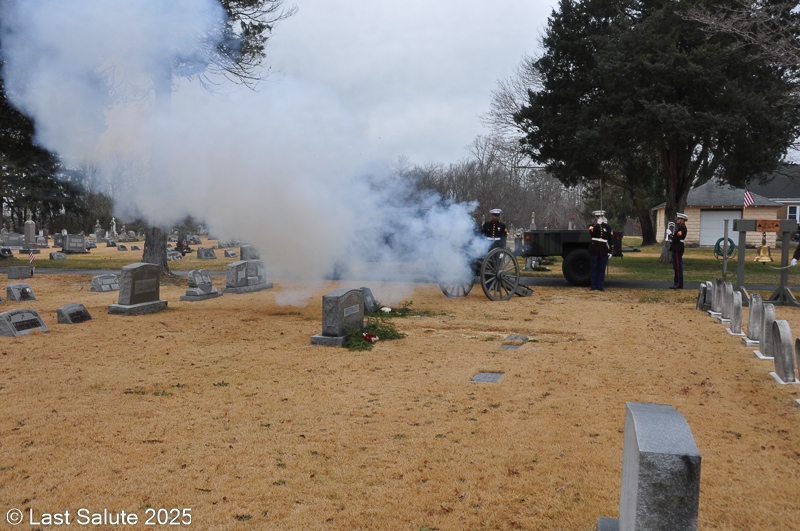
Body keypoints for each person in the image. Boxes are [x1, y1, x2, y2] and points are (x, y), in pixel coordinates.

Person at [588, 210, 613, 291]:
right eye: (598, 217)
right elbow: (592, 234)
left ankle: (600, 286)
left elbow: (610, 239)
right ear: (596, 218)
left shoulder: (607, 227)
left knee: (602, 268)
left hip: (604, 250)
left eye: (601, 216)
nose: (600, 218)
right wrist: (598, 225)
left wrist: (610, 251)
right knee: (594, 268)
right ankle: (594, 286)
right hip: (594, 249)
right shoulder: (592, 226)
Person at [668, 213, 688, 289]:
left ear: (682, 220)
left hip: (678, 248)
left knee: (678, 267)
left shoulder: (682, 228)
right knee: (676, 267)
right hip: (676, 247)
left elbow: (676, 239)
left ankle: (678, 284)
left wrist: (670, 234)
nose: (677, 220)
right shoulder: (680, 228)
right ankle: (677, 283)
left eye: (679, 219)